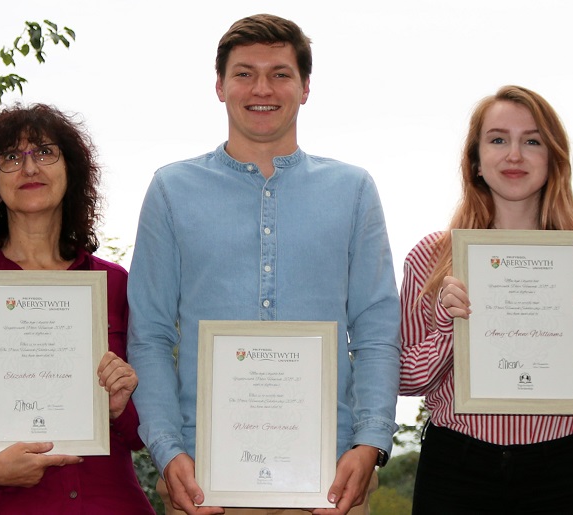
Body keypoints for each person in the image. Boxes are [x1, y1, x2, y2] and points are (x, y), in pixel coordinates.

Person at [127, 13, 400, 515]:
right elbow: (150, 334)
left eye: (280, 73)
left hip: (332, 479)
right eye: (244, 72)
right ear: (219, 85)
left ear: (306, 87)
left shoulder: (354, 191)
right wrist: (168, 451)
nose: (262, 88)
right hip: (204, 482)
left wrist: (371, 444)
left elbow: (377, 330)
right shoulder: (171, 191)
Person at [0, 104, 154, 514]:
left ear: (71, 171)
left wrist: (123, 407)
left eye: (45, 153)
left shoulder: (114, 284)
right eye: (11, 158)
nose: (29, 167)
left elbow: (143, 431)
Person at [398, 85, 573, 513]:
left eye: (532, 141)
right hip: (456, 466)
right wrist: (449, 328)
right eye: (498, 139)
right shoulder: (431, 257)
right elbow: (408, 379)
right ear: (476, 160)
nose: (514, 155)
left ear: (553, 159)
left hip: (561, 468)